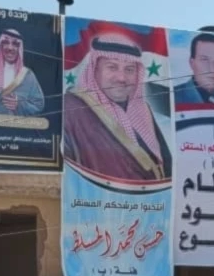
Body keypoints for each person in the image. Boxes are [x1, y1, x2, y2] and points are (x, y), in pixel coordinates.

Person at [63, 31, 172, 182]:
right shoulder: (70, 108)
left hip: (150, 203)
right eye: (112, 67)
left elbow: (167, 168)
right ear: (95, 70)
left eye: (129, 70)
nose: (122, 78)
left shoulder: (143, 110)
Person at [0, 29, 45, 116]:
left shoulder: (27, 75)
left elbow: (38, 105)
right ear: (1, 45)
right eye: (6, 42)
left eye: (15, 44)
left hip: (17, 127)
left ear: (20, 48)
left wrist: (19, 104)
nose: (10, 48)